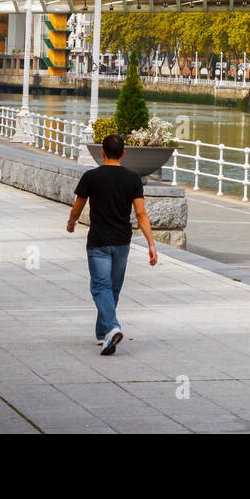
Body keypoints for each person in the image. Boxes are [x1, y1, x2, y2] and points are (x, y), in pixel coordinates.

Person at [66, 134, 158, 355]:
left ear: (103, 153)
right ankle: (103, 334)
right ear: (124, 153)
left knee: (100, 287)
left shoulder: (91, 177)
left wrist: (71, 222)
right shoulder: (132, 178)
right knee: (112, 288)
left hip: (98, 242)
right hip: (122, 242)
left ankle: (112, 327)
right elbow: (141, 213)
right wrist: (151, 244)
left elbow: (77, 207)